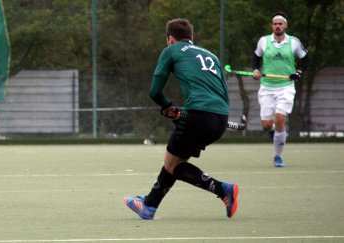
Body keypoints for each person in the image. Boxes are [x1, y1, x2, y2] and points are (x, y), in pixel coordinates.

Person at [124, 18, 238, 220]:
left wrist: (167, 106)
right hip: (220, 118)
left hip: (199, 115)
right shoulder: (211, 55)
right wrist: (185, 113)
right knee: (176, 161)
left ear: (170, 38)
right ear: (191, 37)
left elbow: (154, 91)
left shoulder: (171, 50)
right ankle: (149, 206)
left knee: (173, 164)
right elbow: (220, 94)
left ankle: (223, 190)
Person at [252, 11, 309, 168]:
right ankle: (276, 134)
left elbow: (305, 60)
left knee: (279, 119)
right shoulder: (264, 41)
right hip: (266, 87)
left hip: (286, 87)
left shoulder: (294, 42)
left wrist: (298, 72)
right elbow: (255, 58)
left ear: (285, 25)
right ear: (272, 26)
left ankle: (278, 156)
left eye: (280, 23)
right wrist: (255, 70)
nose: (277, 26)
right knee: (266, 125)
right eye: (275, 24)